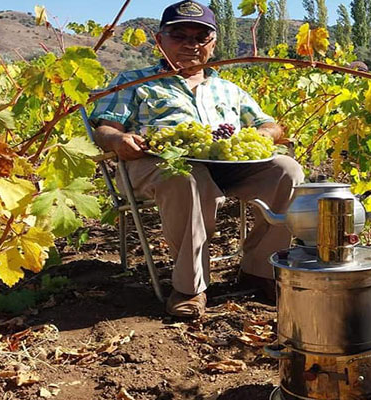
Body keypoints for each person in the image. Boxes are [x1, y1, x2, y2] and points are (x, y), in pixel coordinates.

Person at [90, 0, 304, 318]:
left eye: (200, 37)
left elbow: (269, 124)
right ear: (160, 41)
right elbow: (105, 126)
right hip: (158, 164)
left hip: (227, 167)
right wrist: (119, 140)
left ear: (213, 45)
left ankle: (259, 270)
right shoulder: (135, 82)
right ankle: (191, 288)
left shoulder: (229, 89)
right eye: (180, 35)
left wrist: (266, 135)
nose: (191, 44)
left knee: (288, 170)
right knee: (187, 179)